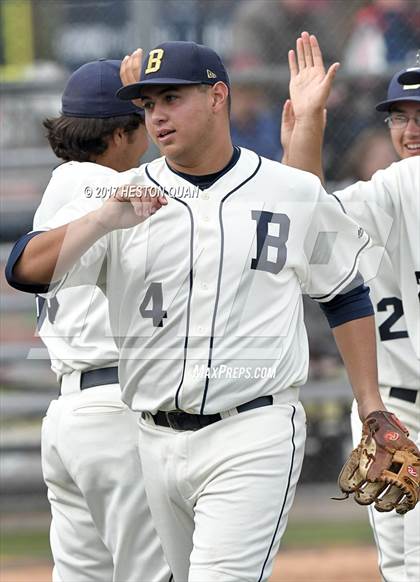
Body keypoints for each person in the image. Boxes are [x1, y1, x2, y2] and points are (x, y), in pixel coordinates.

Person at [6, 40, 396, 582]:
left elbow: (345, 292)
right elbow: (24, 270)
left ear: (217, 96)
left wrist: (371, 406)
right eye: (147, 105)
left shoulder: (286, 189)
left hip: (253, 429)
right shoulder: (123, 194)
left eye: (171, 97)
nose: (158, 115)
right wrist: (102, 221)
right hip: (152, 439)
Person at [5, 59, 170, 582]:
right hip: (118, 411)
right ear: (120, 132)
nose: (153, 125)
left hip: (72, 415)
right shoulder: (103, 188)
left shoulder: (68, 185)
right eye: (143, 115)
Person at [282, 31, 419, 582]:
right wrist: (308, 128)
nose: (411, 130)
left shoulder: (401, 181)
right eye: (399, 117)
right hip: (400, 415)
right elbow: (308, 221)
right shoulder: (393, 188)